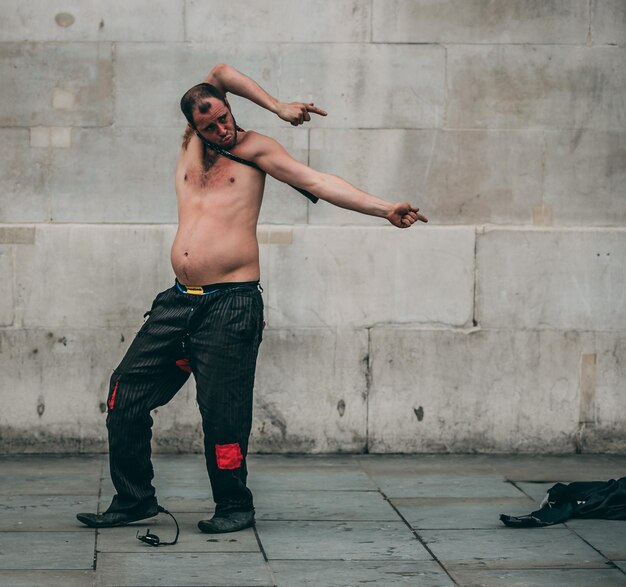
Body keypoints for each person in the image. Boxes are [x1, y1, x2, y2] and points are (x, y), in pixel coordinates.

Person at [77, 64, 428, 534]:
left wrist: (385, 208)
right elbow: (215, 74)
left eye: (225, 117)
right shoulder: (192, 147)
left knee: (223, 413)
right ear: (193, 127)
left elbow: (319, 180)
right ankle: (134, 499)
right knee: (125, 397)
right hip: (179, 302)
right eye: (210, 125)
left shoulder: (255, 148)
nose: (223, 128)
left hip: (231, 305)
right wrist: (217, 118)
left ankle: (234, 506)